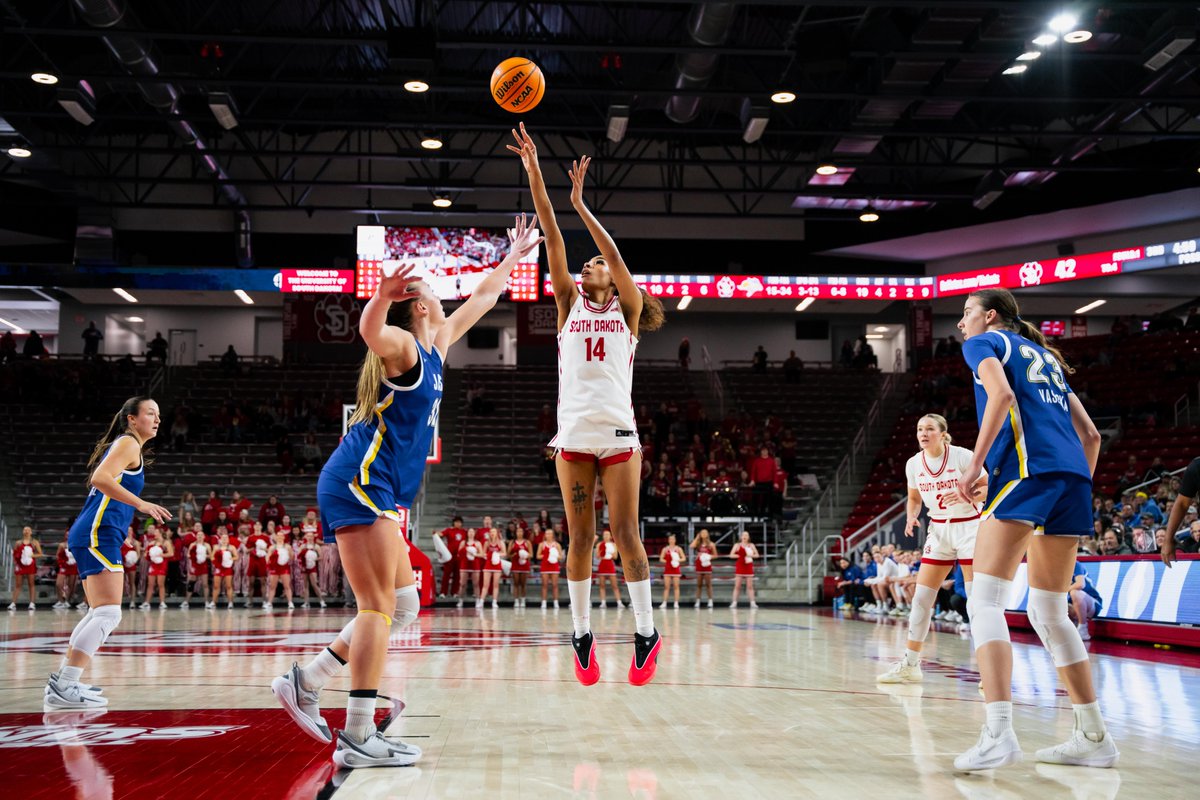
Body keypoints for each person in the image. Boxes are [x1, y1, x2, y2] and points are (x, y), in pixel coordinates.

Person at [270, 213, 542, 769]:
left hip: (383, 490)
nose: (446, 301)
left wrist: (514, 256)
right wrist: (377, 296)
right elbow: (371, 331)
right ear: (420, 306)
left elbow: (486, 297)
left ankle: (308, 678)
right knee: (377, 609)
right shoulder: (404, 349)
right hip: (358, 483)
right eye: (437, 296)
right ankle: (358, 734)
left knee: (403, 603)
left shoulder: (437, 345)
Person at [510, 123, 663, 687]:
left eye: (594, 265)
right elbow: (551, 235)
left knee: (626, 536)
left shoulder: (626, 309)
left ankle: (646, 631)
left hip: (619, 436)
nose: (588, 266)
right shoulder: (569, 303)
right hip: (572, 437)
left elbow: (616, 256)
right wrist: (536, 173)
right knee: (579, 539)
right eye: (588, 264)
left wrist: (582, 203)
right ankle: (581, 633)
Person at [950, 288, 1117, 770]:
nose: (962, 324)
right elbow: (1092, 435)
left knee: (983, 600)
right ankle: (1093, 736)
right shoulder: (1044, 354)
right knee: (1049, 609)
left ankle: (998, 733)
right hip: (1072, 480)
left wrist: (975, 467)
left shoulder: (984, 344)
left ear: (990, 316)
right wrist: (1074, 485)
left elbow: (1001, 396)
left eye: (966, 314)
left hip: (1028, 473)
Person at [46, 397, 171, 709]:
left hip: (98, 531)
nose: (157, 419)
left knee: (97, 612)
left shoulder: (129, 446)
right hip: (96, 532)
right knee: (108, 613)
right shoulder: (128, 443)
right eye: (150, 414)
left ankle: (64, 682)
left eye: (159, 415)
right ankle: (67, 684)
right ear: (131, 418)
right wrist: (141, 504)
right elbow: (99, 479)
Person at [876, 414, 986, 684]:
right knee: (921, 599)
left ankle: (988, 671)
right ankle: (911, 664)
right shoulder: (913, 463)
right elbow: (914, 499)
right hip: (938, 530)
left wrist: (967, 494)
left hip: (969, 527)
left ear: (942, 433)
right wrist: (912, 515)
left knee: (976, 600)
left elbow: (988, 486)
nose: (923, 433)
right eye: (919, 429)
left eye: (929, 429)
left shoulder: (961, 456)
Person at [1067, 561, 1103, 641]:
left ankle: (1083, 628)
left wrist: (1062, 590)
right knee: (1054, 600)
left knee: (1075, 593)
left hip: (1092, 603)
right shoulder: (1056, 569)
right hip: (1072, 604)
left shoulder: (1075, 564)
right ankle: (1071, 627)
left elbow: (1080, 584)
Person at [10, 526, 44, 611]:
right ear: (22, 532)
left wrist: (32, 555)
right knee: (18, 584)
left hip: (30, 565)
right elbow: (15, 554)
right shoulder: (18, 542)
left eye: (28, 530)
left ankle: (32, 603)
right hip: (20, 565)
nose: (26, 531)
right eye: (25, 530)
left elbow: (40, 554)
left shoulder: (34, 542)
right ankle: (13, 603)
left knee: (31, 584)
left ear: (31, 532)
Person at [140, 526, 173, 609]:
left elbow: (171, 553)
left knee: (160, 584)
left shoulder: (166, 542)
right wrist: (147, 554)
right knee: (150, 584)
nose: (154, 533)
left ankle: (162, 602)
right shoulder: (152, 543)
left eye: (156, 532)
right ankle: (147, 602)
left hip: (162, 565)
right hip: (153, 564)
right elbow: (146, 553)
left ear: (160, 533)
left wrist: (161, 555)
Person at [436, 516, 467, 598]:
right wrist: (435, 533)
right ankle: (443, 592)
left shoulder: (464, 532)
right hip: (449, 556)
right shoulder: (449, 530)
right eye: (456, 522)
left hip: (459, 556)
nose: (458, 523)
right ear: (453, 523)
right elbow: (441, 534)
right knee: (446, 575)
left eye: (459, 522)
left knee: (457, 575)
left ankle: (454, 592)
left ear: (461, 523)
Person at [728, 530, 760, 609]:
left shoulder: (751, 545)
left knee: (750, 586)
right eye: (743, 535)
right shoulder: (737, 545)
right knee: (737, 586)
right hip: (740, 565)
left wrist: (749, 555)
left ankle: (752, 603)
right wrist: (740, 556)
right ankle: (734, 602)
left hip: (748, 565)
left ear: (748, 537)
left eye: (746, 535)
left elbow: (757, 555)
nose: (745, 536)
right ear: (741, 537)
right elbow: (731, 555)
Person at [183, 530, 213, 610]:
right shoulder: (192, 544)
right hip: (194, 565)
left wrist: (203, 556)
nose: (199, 536)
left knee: (205, 584)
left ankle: (206, 602)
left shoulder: (207, 545)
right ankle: (186, 602)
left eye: (201, 535)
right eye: (198, 535)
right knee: (191, 583)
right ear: (196, 537)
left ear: (204, 537)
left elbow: (211, 556)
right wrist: (195, 556)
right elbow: (188, 554)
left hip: (203, 566)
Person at [266, 531, 295, 610]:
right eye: (278, 536)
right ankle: (269, 603)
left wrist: (290, 554)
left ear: (283, 537)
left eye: (281, 536)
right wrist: (269, 565)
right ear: (275, 537)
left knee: (287, 586)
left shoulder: (287, 546)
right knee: (272, 586)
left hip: (284, 567)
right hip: (275, 568)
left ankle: (290, 602)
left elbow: (292, 558)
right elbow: (267, 557)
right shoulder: (272, 547)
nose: (279, 537)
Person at [594, 529, 623, 609]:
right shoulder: (599, 544)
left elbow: (616, 557)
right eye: (604, 534)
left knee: (615, 585)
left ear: (610, 536)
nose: (606, 536)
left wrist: (608, 552)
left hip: (610, 564)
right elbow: (597, 556)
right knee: (602, 585)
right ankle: (603, 603)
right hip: (602, 564)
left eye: (607, 534)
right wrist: (602, 551)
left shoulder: (614, 545)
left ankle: (619, 602)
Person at [245, 521, 271, 608]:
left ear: (261, 527)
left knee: (263, 581)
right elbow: (247, 551)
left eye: (259, 525)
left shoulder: (265, 537)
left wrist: (263, 548)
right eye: (255, 525)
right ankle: (249, 601)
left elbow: (269, 550)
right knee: (251, 582)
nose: (257, 526)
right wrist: (255, 547)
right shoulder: (250, 537)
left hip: (262, 560)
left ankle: (264, 601)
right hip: (253, 560)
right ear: (254, 527)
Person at [457, 528, 484, 609]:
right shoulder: (463, 542)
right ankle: (460, 600)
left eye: (472, 532)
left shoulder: (478, 543)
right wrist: (466, 551)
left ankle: (478, 601)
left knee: (476, 584)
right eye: (470, 532)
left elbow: (482, 554)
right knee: (462, 584)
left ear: (475, 533)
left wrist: (474, 554)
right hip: (464, 565)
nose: (471, 533)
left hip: (475, 565)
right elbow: (459, 554)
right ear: (467, 533)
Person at [298, 531, 326, 608]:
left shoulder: (316, 546)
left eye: (311, 536)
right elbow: (298, 555)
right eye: (308, 536)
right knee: (305, 585)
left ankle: (321, 601)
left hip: (312, 566)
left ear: (313, 537)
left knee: (314, 584)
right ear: (306, 537)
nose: (310, 537)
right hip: (304, 567)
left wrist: (313, 559)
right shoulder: (303, 546)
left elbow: (321, 557)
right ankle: (306, 602)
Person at [480, 527, 506, 609]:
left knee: (495, 585)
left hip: (497, 565)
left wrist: (497, 554)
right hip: (488, 565)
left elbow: (504, 553)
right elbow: (483, 553)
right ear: (489, 534)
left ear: (497, 533)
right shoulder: (486, 543)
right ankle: (481, 602)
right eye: (491, 532)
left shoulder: (500, 543)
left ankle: (494, 602)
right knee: (485, 585)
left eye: (494, 531)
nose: (492, 533)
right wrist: (487, 556)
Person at [211, 532, 238, 609]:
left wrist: (229, 559)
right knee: (216, 586)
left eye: (226, 538)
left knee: (229, 586)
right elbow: (212, 557)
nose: (224, 539)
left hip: (227, 568)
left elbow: (236, 557)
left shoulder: (232, 547)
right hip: (219, 568)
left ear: (228, 540)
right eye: (223, 538)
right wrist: (217, 562)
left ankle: (230, 603)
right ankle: (213, 602)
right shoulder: (216, 547)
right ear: (220, 539)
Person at [538, 529, 564, 609]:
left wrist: (554, 555)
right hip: (545, 566)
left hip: (554, 566)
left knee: (555, 585)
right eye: (546, 533)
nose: (548, 535)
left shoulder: (557, 545)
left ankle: (556, 602)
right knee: (544, 585)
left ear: (553, 535)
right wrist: (547, 555)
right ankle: (544, 602)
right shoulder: (542, 544)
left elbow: (561, 557)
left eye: (550, 533)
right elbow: (538, 556)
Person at [509, 526, 533, 608]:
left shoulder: (527, 542)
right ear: (515, 533)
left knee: (523, 583)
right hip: (515, 564)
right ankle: (516, 600)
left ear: (523, 533)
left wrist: (525, 555)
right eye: (518, 531)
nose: (519, 533)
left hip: (524, 564)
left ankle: (523, 600)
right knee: (516, 583)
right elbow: (508, 554)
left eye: (521, 531)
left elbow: (531, 554)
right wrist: (514, 554)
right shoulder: (512, 542)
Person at [691, 528, 716, 608]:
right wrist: (697, 537)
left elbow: (715, 555)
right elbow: (691, 546)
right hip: (699, 565)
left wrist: (708, 556)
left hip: (707, 565)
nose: (704, 534)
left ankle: (710, 601)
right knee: (699, 584)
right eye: (702, 533)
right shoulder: (698, 544)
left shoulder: (711, 544)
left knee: (708, 584)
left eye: (705, 533)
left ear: (708, 534)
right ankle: (698, 601)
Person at [659, 533, 684, 609]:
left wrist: (677, 560)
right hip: (668, 569)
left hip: (676, 569)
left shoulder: (678, 549)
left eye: (673, 539)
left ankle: (676, 603)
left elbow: (684, 558)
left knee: (676, 586)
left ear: (675, 540)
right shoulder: (665, 549)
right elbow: (661, 559)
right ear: (668, 540)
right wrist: (667, 561)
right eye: (670, 539)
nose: (672, 540)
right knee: (666, 587)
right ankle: (664, 602)